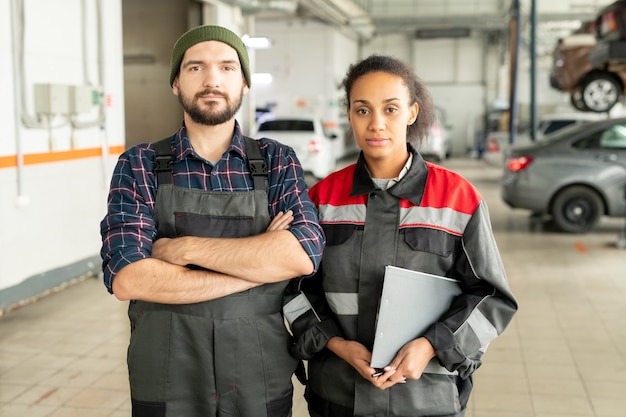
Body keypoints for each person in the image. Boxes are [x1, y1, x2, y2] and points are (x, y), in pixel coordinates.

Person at [99, 25, 325, 417]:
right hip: (168, 374)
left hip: (259, 370)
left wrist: (182, 249)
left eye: (227, 67)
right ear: (175, 82)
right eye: (195, 68)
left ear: (244, 83)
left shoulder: (276, 161)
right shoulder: (139, 164)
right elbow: (129, 278)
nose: (212, 80)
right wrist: (257, 270)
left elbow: (302, 254)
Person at [282, 55, 518, 417]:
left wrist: (430, 345)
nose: (377, 123)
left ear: (411, 112)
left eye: (390, 109)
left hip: (426, 399)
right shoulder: (321, 199)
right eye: (363, 110)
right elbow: (295, 290)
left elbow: (491, 298)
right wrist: (337, 343)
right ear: (349, 114)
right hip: (338, 396)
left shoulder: (459, 198)